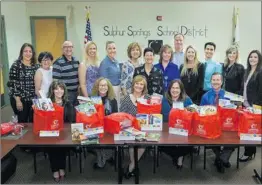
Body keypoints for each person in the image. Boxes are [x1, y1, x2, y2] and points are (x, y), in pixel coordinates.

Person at [200, 72, 234, 173]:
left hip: (226, 125)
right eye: (213, 80)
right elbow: (201, 113)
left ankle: (221, 158)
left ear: (222, 82)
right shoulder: (205, 96)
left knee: (234, 140)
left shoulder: (228, 96)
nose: (215, 82)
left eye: (218, 80)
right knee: (213, 138)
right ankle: (222, 159)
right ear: (210, 82)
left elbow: (233, 112)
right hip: (211, 126)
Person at [46, 80, 76, 182]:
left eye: (61, 88)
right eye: (56, 89)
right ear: (52, 90)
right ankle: (55, 169)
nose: (59, 91)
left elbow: (71, 120)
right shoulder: (47, 103)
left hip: (64, 133)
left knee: (61, 146)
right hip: (50, 132)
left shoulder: (68, 104)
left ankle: (61, 167)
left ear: (64, 90)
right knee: (53, 147)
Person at [160, 79, 193, 169]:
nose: (175, 90)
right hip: (166, 129)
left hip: (182, 128)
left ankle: (179, 158)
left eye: (177, 88)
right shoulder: (164, 99)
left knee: (186, 144)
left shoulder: (187, 100)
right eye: (173, 88)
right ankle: (176, 156)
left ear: (181, 89)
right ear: (169, 89)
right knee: (163, 145)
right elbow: (159, 115)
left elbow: (193, 114)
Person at [120, 75, 148, 179]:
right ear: (133, 84)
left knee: (143, 144)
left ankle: (131, 166)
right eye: (137, 83)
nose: (139, 86)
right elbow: (122, 114)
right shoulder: (127, 98)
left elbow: (152, 114)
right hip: (129, 128)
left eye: (142, 84)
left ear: (144, 86)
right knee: (132, 144)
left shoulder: (147, 98)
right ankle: (134, 166)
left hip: (144, 128)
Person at [239, 50, 262, 162]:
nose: (252, 59)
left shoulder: (260, 72)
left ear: (259, 59)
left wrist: (255, 106)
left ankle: (249, 153)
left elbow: (260, 91)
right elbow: (243, 88)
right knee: (246, 129)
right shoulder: (246, 71)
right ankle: (249, 151)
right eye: (251, 57)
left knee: (252, 130)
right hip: (245, 104)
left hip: (254, 106)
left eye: (255, 57)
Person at [91, 77, 118, 169]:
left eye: (105, 85)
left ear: (108, 87)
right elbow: (89, 117)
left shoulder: (113, 100)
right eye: (101, 85)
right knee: (96, 140)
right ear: (97, 87)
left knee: (109, 139)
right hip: (96, 127)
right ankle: (105, 157)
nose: (103, 87)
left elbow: (115, 116)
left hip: (109, 128)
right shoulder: (92, 100)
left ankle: (103, 158)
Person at [8, 43, 39, 123]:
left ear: (33, 53)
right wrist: (18, 101)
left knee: (33, 121)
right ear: (21, 53)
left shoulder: (36, 66)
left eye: (30, 51)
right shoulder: (16, 65)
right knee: (22, 122)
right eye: (25, 51)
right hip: (20, 99)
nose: (28, 53)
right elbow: (13, 84)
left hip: (32, 99)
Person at [52, 41, 79, 106]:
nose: (68, 49)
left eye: (70, 47)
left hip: (77, 93)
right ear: (62, 49)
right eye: (65, 47)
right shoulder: (58, 63)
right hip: (66, 95)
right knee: (67, 114)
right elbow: (55, 82)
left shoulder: (76, 60)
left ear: (73, 48)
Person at [99, 41, 121, 107]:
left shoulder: (116, 61)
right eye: (110, 48)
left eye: (114, 48)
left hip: (118, 89)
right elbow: (103, 80)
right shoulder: (104, 63)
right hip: (110, 90)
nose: (112, 50)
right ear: (106, 50)